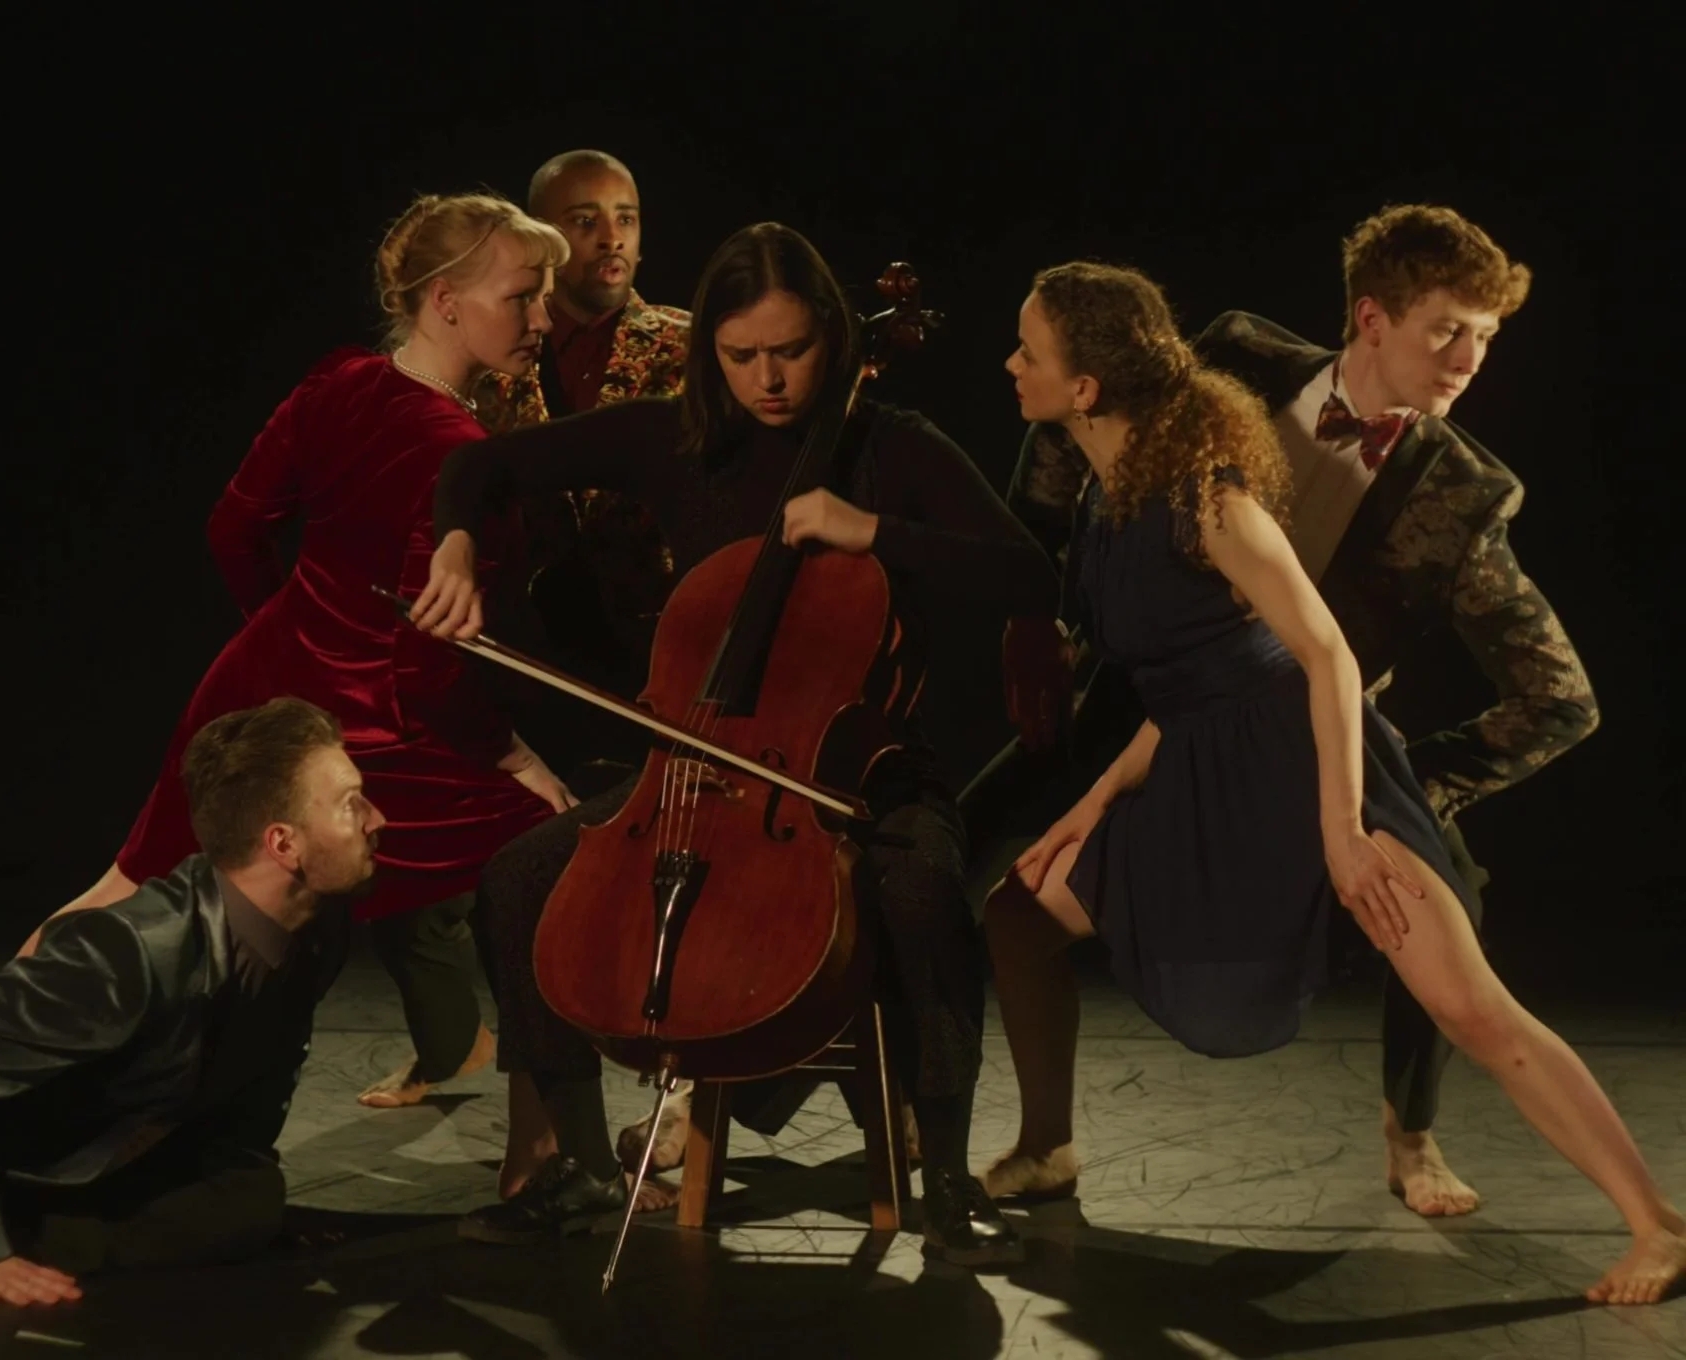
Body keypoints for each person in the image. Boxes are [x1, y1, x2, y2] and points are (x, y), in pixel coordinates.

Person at [981, 260, 1679, 1306]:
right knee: (1020, 918)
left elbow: (1327, 658)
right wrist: (1092, 803)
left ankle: (1657, 1226)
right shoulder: (1105, 498)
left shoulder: (1206, 499)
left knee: (1474, 1008)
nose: (1010, 365)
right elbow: (1189, 685)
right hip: (1200, 768)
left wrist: (1347, 830)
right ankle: (1046, 1150)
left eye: (1028, 351)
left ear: (1083, 387)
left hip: (1313, 767)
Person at [410, 222, 1056, 1266]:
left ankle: (944, 1184)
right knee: (520, 877)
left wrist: (874, 532)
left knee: (925, 892)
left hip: (862, 770)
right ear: (709, 347)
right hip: (697, 765)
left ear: (835, 340)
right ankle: (573, 1157)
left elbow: (1031, 576)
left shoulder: (894, 447)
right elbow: (481, 470)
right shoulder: (677, 438)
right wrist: (454, 541)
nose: (767, 379)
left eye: (790, 351)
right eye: (741, 355)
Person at [25, 194, 580, 1114]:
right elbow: (430, 666)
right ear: (444, 301)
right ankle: (588, 1128)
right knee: (556, 850)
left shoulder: (341, 383)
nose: (544, 318)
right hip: (382, 728)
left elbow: (233, 528)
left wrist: (284, 636)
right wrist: (513, 755)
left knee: (123, 886)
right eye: (523, 295)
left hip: (257, 688)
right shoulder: (457, 451)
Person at [0, 698, 372, 1306]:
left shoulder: (318, 929)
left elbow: (255, 1078)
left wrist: (242, 1192)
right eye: (353, 804)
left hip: (38, 1164)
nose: (378, 820)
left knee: (246, 1204)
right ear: (283, 843)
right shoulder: (132, 952)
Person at [474, 148, 692, 778]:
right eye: (584, 220)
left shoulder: (694, 346)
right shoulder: (498, 358)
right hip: (530, 670)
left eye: (626, 219)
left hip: (661, 665)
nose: (610, 237)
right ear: (541, 240)